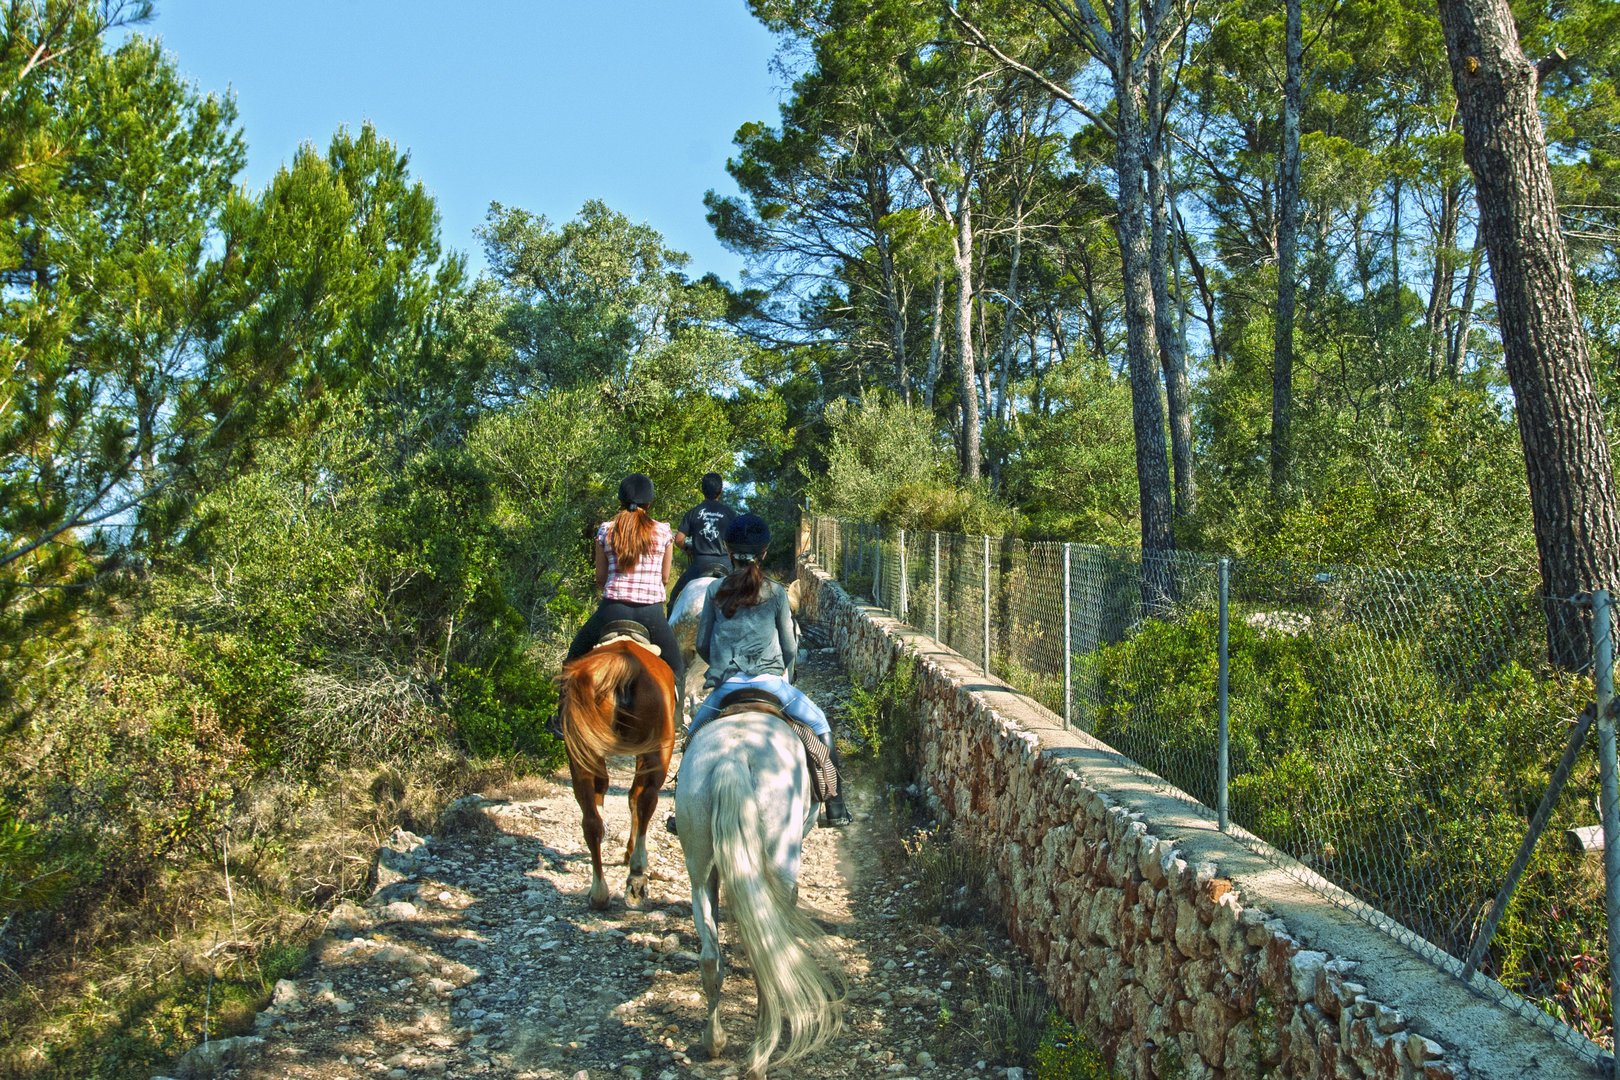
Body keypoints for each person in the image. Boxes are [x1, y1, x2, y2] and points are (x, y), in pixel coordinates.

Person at [678, 513, 852, 828]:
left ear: (728, 551)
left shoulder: (715, 590)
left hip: (726, 688)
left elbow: (702, 643)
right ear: (764, 553)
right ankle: (836, 808)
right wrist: (779, 671)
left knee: (692, 739)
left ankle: (683, 813)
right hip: (772, 685)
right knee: (821, 726)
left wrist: (720, 664)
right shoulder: (775, 592)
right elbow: (789, 647)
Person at [562, 473, 685, 702]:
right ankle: (676, 720)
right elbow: (665, 577)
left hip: (611, 610)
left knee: (572, 661)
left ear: (620, 501)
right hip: (651, 614)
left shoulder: (606, 530)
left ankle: (561, 715)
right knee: (677, 668)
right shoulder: (663, 531)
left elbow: (600, 578)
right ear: (649, 503)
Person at [667, 472, 737, 614]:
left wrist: (687, 548)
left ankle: (669, 620)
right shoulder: (730, 514)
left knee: (674, 597)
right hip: (726, 565)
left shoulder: (693, 512)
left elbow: (679, 539)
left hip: (699, 565)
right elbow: (737, 541)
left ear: (702, 490)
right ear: (721, 491)